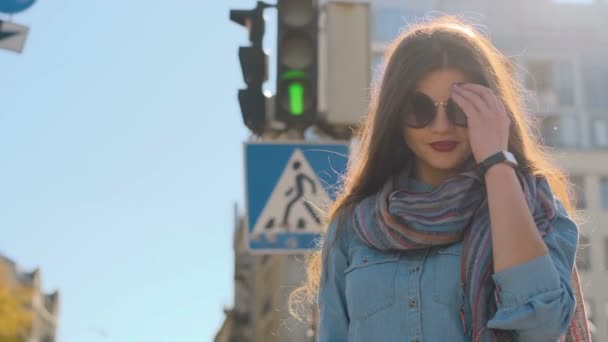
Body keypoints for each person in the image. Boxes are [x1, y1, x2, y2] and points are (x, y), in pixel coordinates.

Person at [289, 16, 591, 342]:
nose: (441, 125)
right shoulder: (353, 226)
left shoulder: (534, 209)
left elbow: (542, 325)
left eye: (461, 108)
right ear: (395, 115)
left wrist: (497, 162)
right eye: (419, 108)